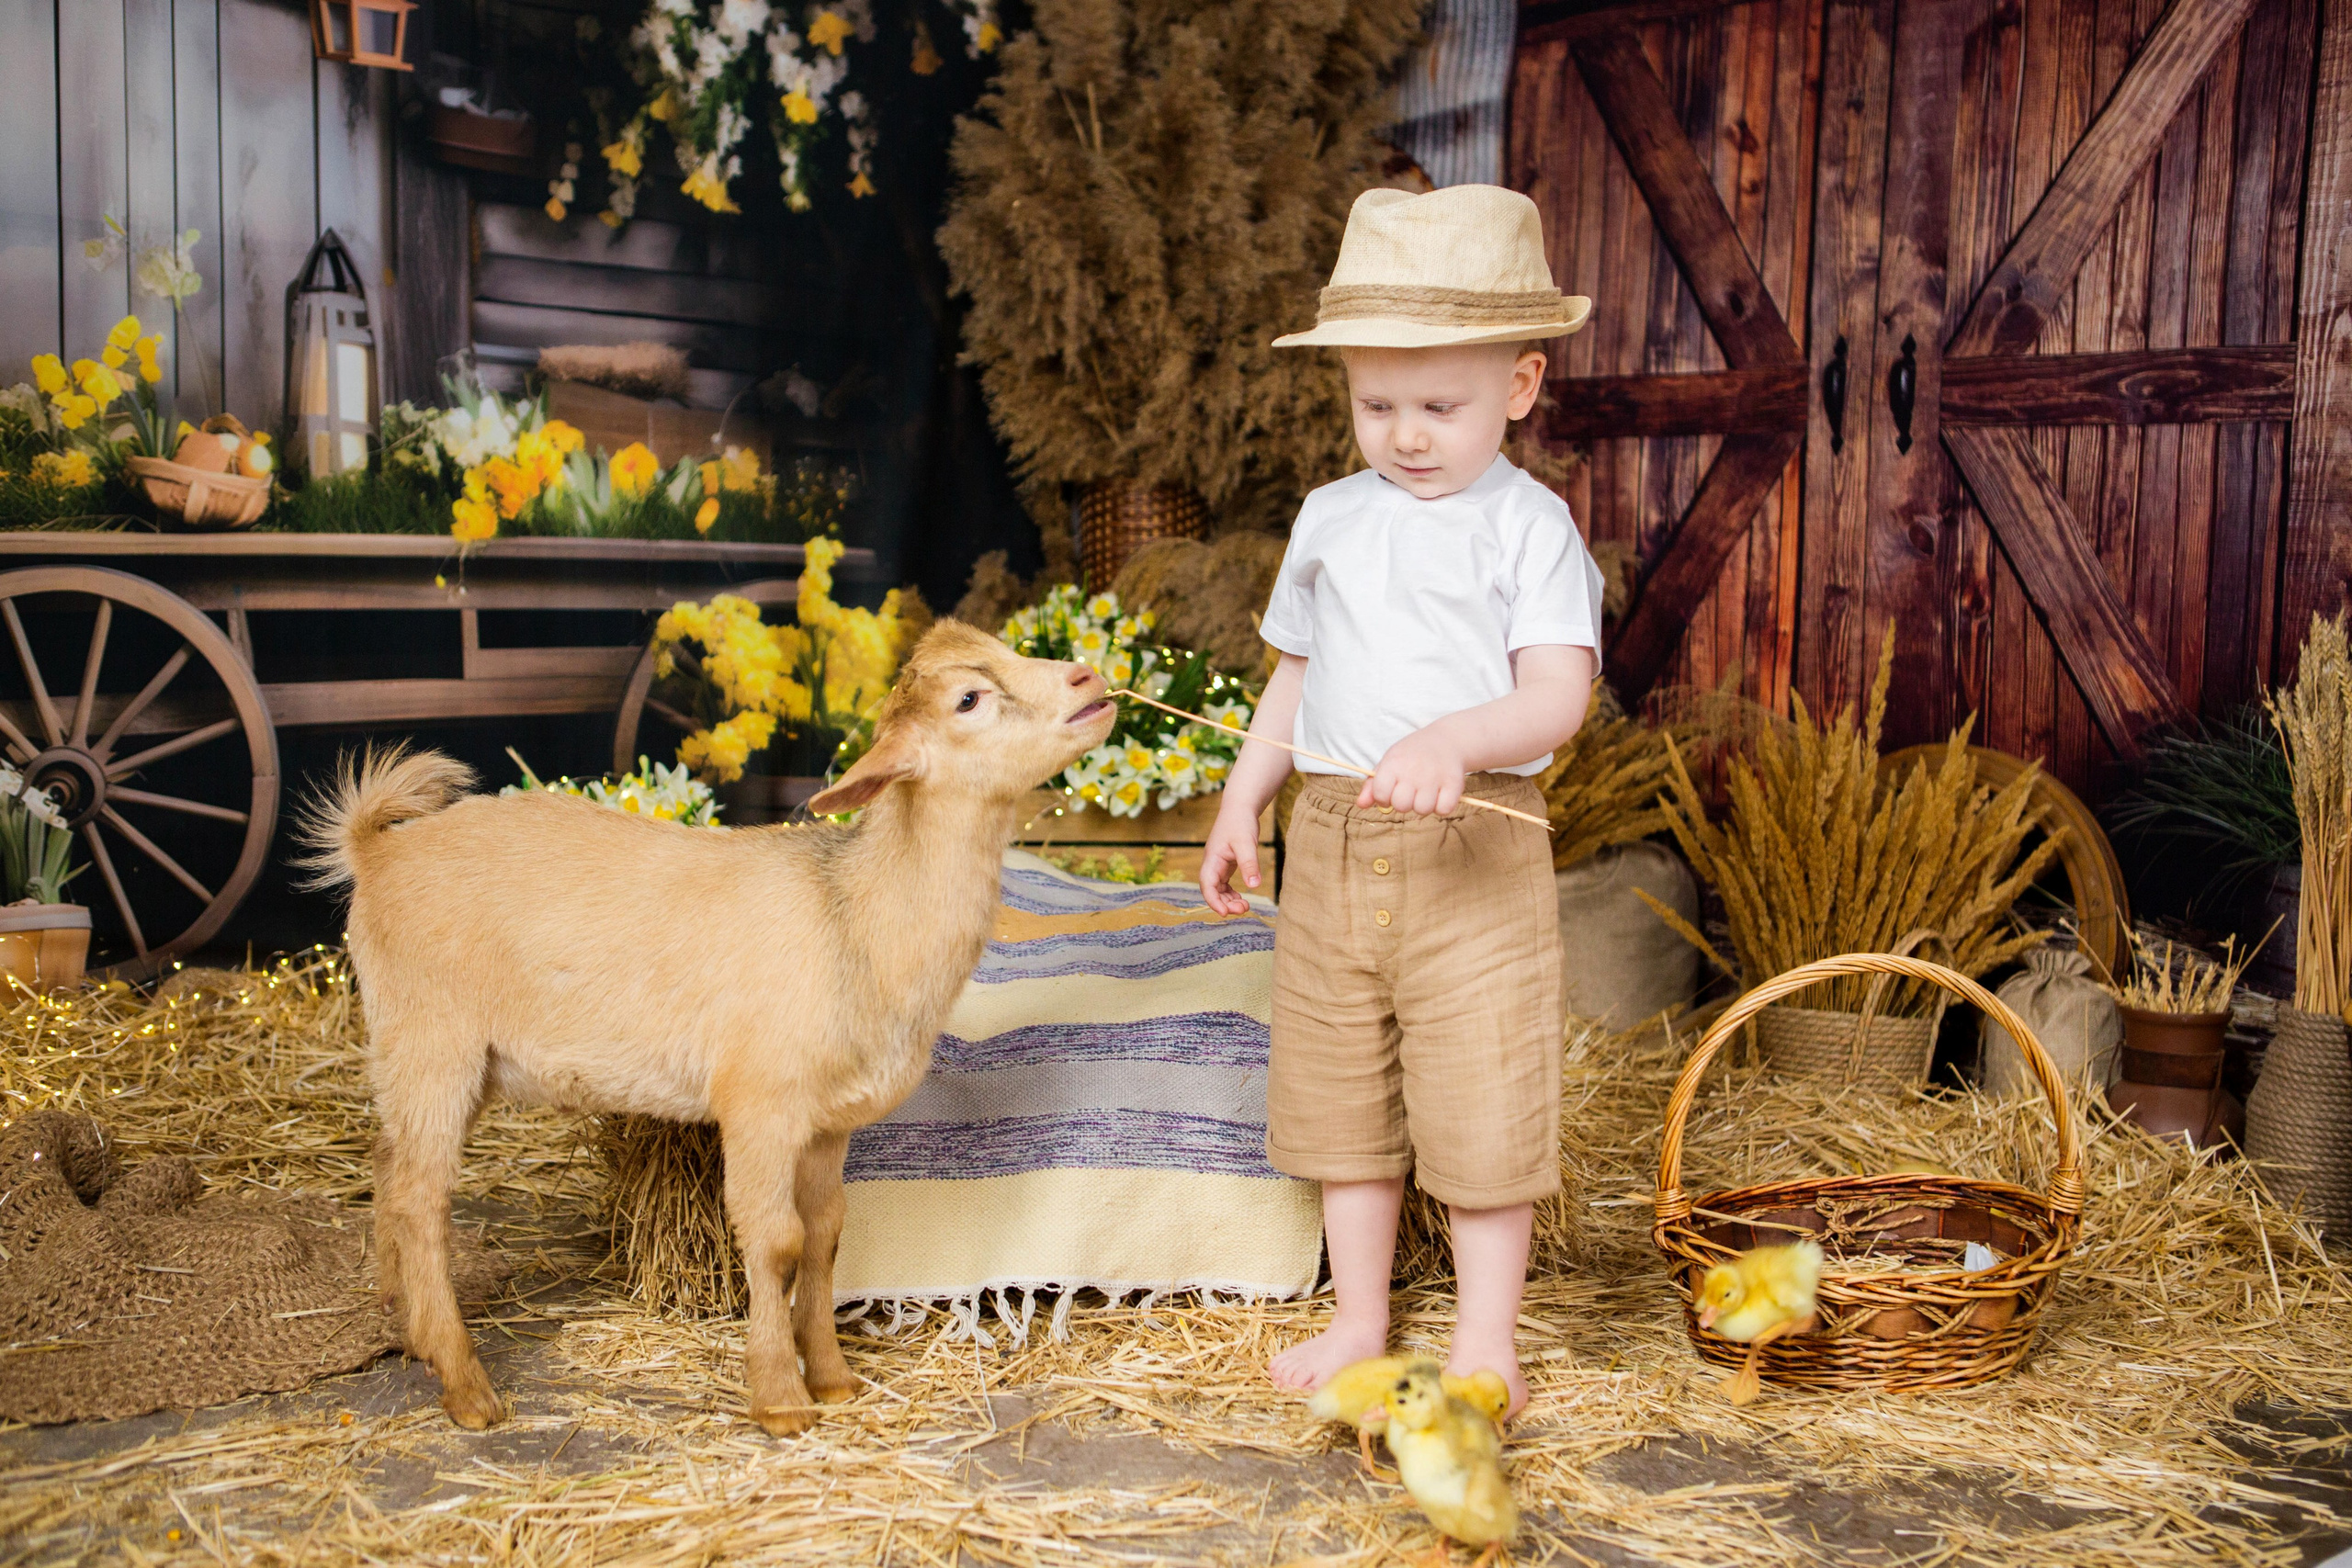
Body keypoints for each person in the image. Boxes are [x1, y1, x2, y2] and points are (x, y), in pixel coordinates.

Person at [1200, 185, 1603, 1418]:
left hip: (1474, 851)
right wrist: (1239, 801)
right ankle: (1360, 1316)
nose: (1408, 435)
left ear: (1522, 387)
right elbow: (1295, 679)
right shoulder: (1330, 517)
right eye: (1378, 405)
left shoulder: (1529, 529)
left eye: (1443, 405)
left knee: (1482, 1097)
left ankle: (1488, 1338)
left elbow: (1558, 697)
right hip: (1331, 842)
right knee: (1341, 1097)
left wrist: (1455, 740)